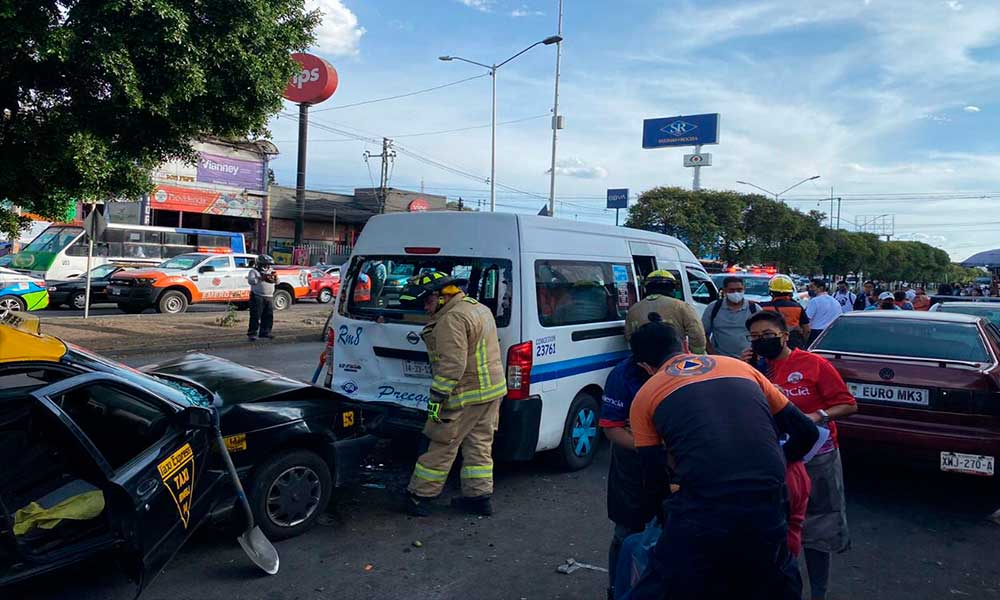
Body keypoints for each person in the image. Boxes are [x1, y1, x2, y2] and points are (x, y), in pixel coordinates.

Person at [626, 319, 818, 600]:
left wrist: (668, 519)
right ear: (685, 345)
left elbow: (654, 479)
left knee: (663, 584)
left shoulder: (646, 396)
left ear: (644, 366)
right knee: (775, 580)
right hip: (767, 501)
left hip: (703, 510)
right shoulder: (740, 368)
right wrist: (775, 462)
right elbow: (807, 432)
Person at [743, 311, 857, 600]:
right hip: (775, 458)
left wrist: (816, 416)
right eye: (755, 337)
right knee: (777, 526)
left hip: (817, 456)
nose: (761, 341)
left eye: (767, 335)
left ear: (784, 334)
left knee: (819, 527)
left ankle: (818, 592)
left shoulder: (814, 364)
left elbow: (847, 404)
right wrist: (746, 370)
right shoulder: (755, 369)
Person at [400, 271, 506, 517]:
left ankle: (420, 497)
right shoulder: (477, 308)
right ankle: (478, 498)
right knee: (479, 444)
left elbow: (452, 365)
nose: (424, 308)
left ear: (440, 296)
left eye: (426, 302)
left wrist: (437, 397)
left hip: (464, 395)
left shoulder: (451, 319)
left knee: (441, 443)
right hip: (491, 392)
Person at [599, 339, 659, 599]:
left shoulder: (685, 368)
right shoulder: (623, 375)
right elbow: (612, 428)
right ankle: (618, 589)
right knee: (626, 533)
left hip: (673, 464)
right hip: (632, 466)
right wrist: (649, 446)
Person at [625, 270, 706, 353]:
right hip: (675, 357)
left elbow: (629, 336)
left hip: (645, 360)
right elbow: (697, 333)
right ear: (672, 288)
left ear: (647, 288)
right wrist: (697, 353)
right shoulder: (681, 306)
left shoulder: (633, 310)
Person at [701, 276, 760, 358]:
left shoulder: (754, 309)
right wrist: (713, 354)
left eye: (739, 290)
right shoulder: (713, 308)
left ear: (744, 289)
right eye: (732, 290)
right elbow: (702, 334)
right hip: (722, 360)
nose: (736, 293)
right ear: (725, 291)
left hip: (748, 360)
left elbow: (762, 335)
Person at [762, 274, 811, 349]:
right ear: (790, 292)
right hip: (793, 344)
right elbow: (806, 330)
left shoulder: (763, 307)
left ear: (771, 291)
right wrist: (802, 342)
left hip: (769, 343)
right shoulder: (797, 307)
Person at [247, 254, 277, 341]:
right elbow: (252, 281)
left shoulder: (271, 271)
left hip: (269, 296)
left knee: (268, 315)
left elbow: (277, 282)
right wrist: (261, 278)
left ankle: (265, 332)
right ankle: (252, 333)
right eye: (266, 264)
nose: (267, 266)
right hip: (257, 296)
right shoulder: (254, 271)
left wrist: (275, 278)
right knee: (255, 315)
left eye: (269, 264)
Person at [805, 279, 842, 344]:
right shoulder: (835, 301)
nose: (809, 289)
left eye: (812, 287)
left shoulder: (815, 301)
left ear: (820, 288)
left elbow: (806, 319)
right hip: (832, 333)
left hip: (816, 333)